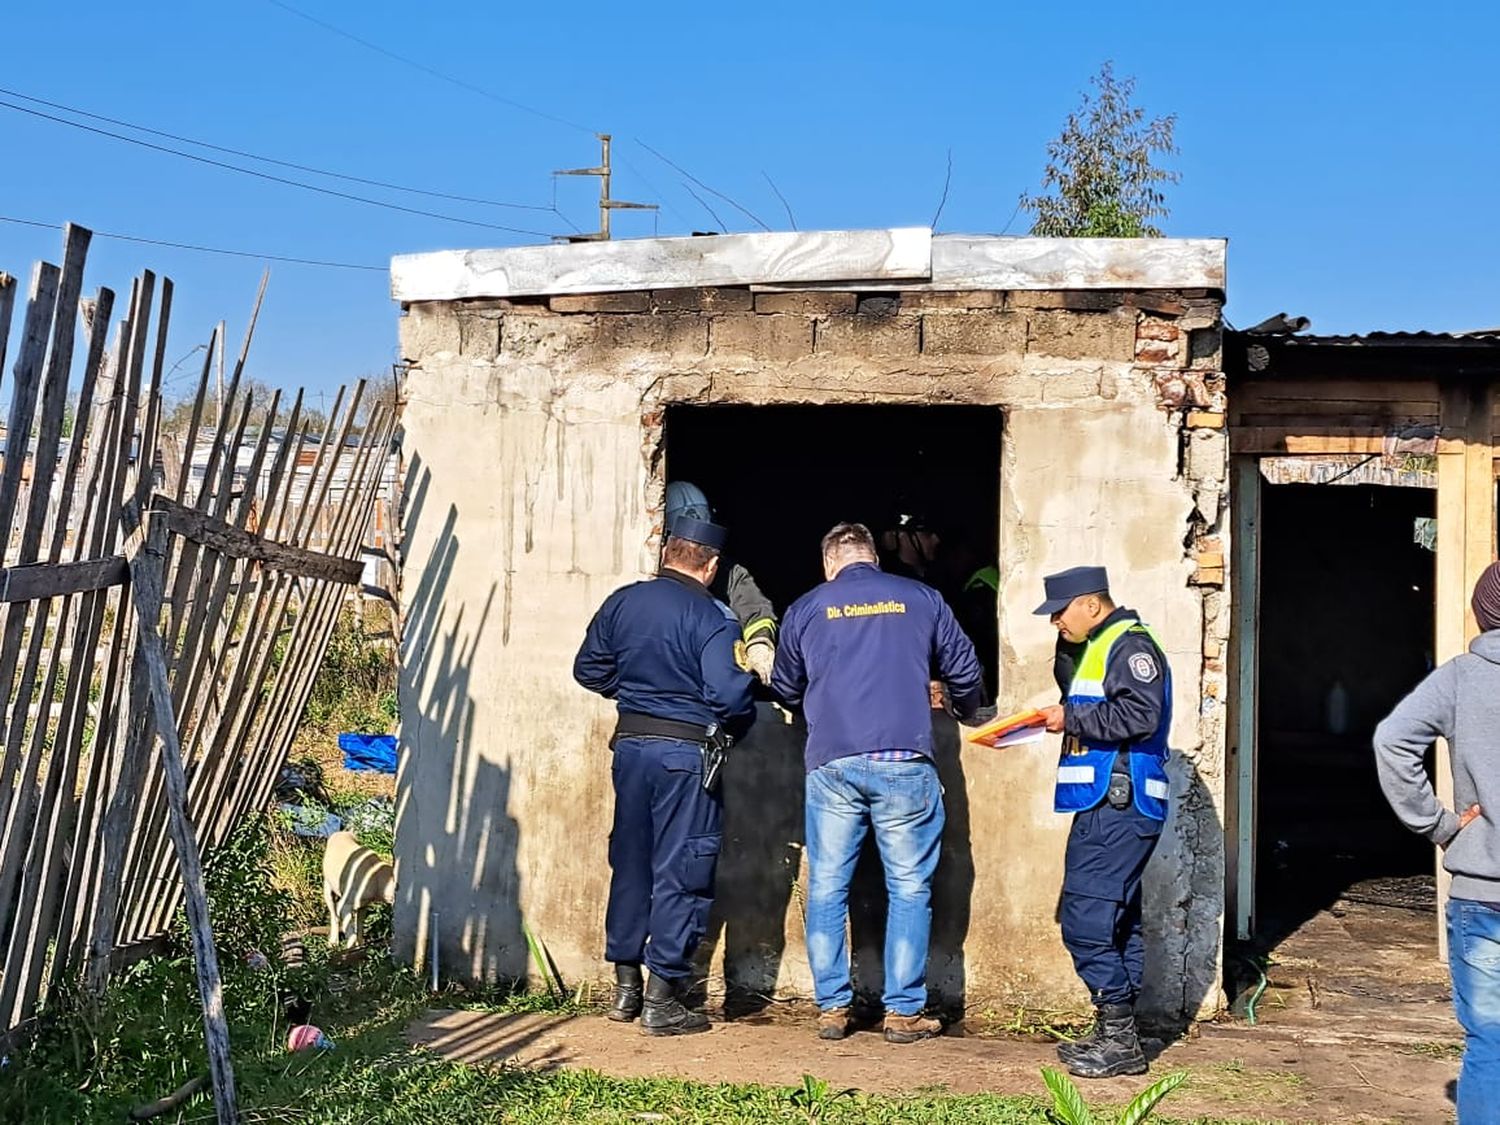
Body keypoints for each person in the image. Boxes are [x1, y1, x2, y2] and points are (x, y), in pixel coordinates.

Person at [771, 522, 988, 1043]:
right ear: (874, 558)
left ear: (830, 564)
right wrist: (970, 709)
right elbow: (965, 669)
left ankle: (831, 1009)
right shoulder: (921, 597)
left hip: (833, 765)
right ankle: (902, 1013)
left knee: (826, 885)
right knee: (909, 887)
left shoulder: (806, 608)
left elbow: (784, 684)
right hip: (904, 759)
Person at [573, 516, 757, 1036]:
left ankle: (625, 990)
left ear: (668, 551)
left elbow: (589, 670)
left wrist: (635, 694)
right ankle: (663, 1001)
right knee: (683, 867)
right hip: (686, 753)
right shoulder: (714, 619)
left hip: (630, 747)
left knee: (631, 862)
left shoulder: (622, 602)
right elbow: (729, 694)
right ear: (712, 565)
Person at [1033, 565, 1172, 1080]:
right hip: (1110, 803)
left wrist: (1070, 719)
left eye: (1059, 612)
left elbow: (1140, 716)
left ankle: (1119, 1039)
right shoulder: (1100, 644)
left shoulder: (1127, 647)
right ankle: (1120, 1031)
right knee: (1118, 921)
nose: (1054, 623)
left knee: (1086, 920)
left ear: (1091, 604)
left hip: (1118, 802)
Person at [1373, 561, 1500, 1122]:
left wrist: (1440, 826)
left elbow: (1391, 741)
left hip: (1483, 890)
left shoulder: (1461, 677)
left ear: (1482, 613)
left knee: (1492, 1044)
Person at [665, 481, 779, 685]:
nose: (698, 553)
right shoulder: (650, 577)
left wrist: (759, 642)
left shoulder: (729, 573)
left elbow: (755, 610)